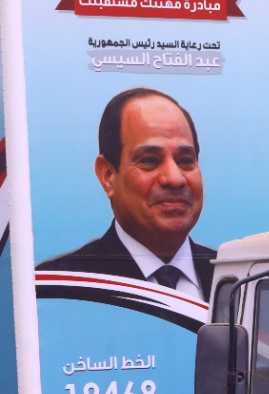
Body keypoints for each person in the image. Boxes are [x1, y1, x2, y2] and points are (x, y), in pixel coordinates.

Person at [36, 87, 214, 300]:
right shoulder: (59, 288)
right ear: (108, 176)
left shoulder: (239, 279)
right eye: (150, 160)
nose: (175, 179)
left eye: (185, 161)